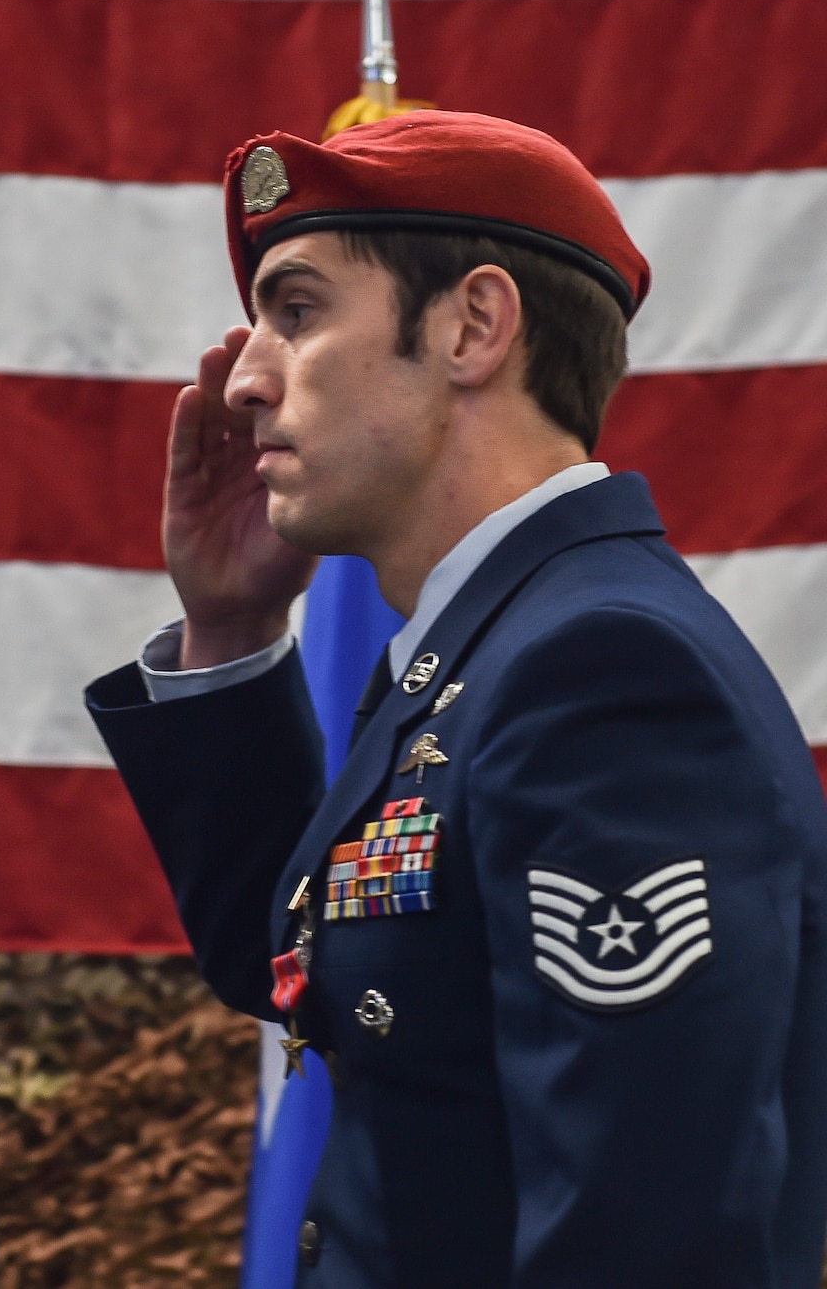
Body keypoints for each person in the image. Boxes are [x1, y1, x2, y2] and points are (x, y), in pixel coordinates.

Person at [86, 112, 827, 1286]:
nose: (245, 380)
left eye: (297, 311)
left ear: (471, 326)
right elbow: (308, 966)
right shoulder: (494, 642)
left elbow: (641, 1235)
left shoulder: (600, 670)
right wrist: (229, 630)